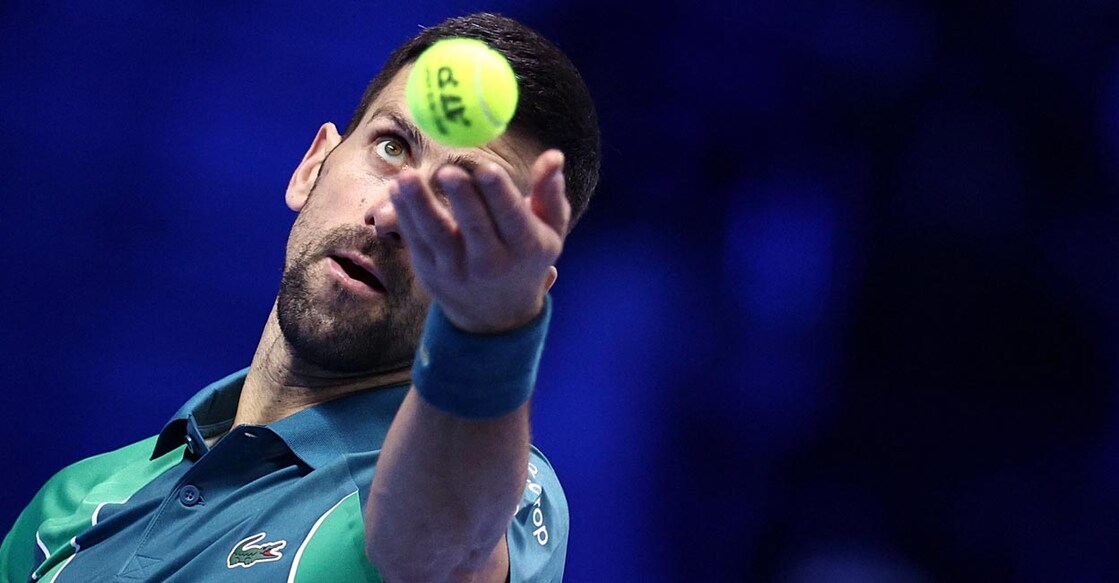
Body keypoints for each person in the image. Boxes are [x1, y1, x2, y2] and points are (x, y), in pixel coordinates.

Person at [0, 12, 600, 583]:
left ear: (516, 285)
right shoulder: (70, 505)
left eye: (464, 204)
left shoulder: (504, 493)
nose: (393, 214)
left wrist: (488, 330)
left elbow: (438, 555)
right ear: (313, 164)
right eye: (393, 148)